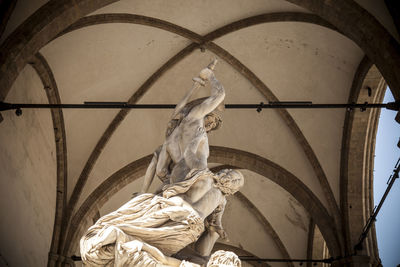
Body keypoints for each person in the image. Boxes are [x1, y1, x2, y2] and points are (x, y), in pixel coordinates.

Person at [80, 167, 244, 267]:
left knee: (154, 237)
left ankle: (120, 235)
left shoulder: (220, 199)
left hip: (187, 230)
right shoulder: (205, 178)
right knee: (146, 224)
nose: (230, 177)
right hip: (179, 217)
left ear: (233, 190)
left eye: (235, 180)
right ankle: (118, 234)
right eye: (231, 173)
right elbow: (174, 183)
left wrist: (216, 230)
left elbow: (212, 232)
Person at [141, 60, 224, 194]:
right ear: (205, 113)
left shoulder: (191, 134)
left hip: (185, 178)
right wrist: (208, 76)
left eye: (213, 125)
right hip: (179, 179)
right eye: (212, 119)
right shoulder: (192, 119)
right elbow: (219, 95)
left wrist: (198, 84)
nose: (211, 124)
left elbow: (161, 170)